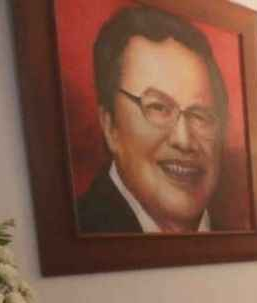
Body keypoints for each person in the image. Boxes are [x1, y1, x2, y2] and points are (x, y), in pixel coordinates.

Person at [76, 6, 230, 234]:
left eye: (200, 115)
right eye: (158, 108)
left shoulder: (234, 235)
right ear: (110, 126)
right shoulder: (84, 230)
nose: (184, 140)